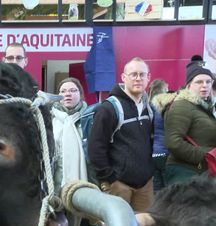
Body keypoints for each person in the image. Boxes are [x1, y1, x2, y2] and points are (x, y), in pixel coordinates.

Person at [88, 57, 154, 212]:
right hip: (119, 186)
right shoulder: (109, 108)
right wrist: (110, 179)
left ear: (148, 78)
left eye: (142, 74)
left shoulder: (148, 107)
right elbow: (95, 148)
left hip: (145, 186)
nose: (138, 78)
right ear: (124, 78)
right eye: (133, 74)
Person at [156, 63, 216, 185]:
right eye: (199, 82)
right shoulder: (182, 105)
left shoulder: (201, 106)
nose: (205, 86)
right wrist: (206, 155)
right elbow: (173, 142)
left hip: (200, 172)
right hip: (185, 173)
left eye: (208, 82)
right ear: (188, 86)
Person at [51, 77, 88, 190]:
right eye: (63, 91)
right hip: (55, 183)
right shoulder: (49, 119)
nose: (67, 94)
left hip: (85, 180)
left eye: (73, 90)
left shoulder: (90, 118)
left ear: (80, 94)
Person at [147, 79, 169, 192]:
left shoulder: (147, 107)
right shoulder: (164, 107)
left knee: (157, 192)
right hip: (166, 153)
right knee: (169, 190)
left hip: (154, 154)